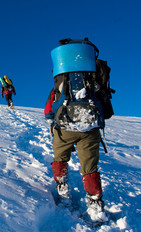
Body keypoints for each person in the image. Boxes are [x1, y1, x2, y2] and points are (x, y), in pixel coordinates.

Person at [45, 38, 107, 220]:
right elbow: (105, 106)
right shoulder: (93, 80)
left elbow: (48, 111)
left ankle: (62, 189)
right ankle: (95, 205)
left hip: (65, 128)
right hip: (90, 128)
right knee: (90, 167)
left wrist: (54, 119)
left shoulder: (60, 85)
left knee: (60, 158)